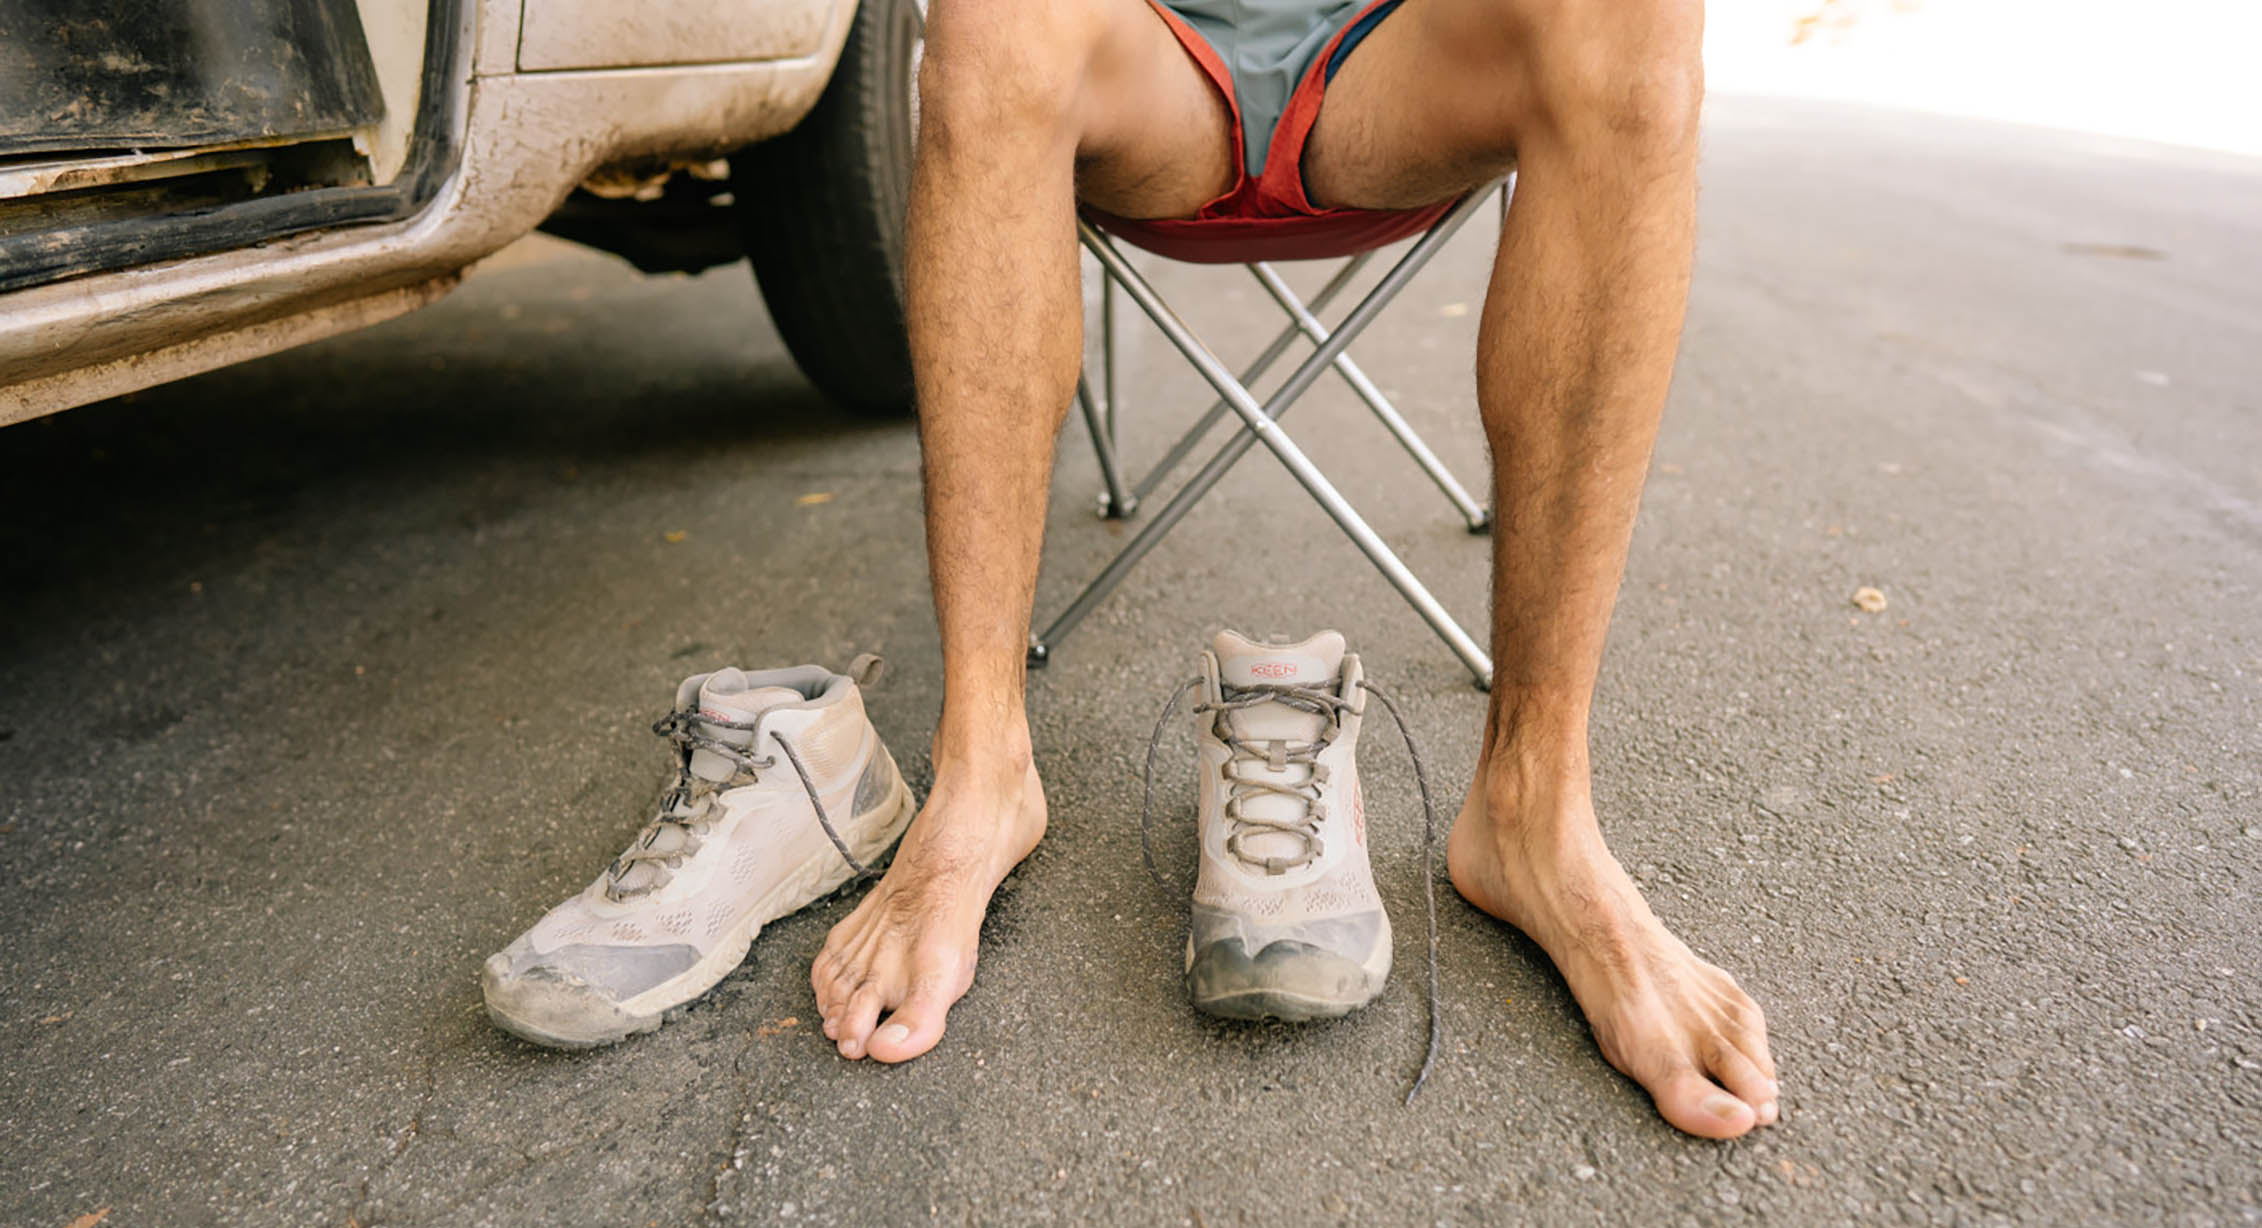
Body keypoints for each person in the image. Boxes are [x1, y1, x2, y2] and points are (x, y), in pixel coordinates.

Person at [488, 0, 1779, 1142]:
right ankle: (980, 777)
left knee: (1634, 13)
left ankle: (1533, 813)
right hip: (1148, 60)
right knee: (993, 15)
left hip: (1402, 58)